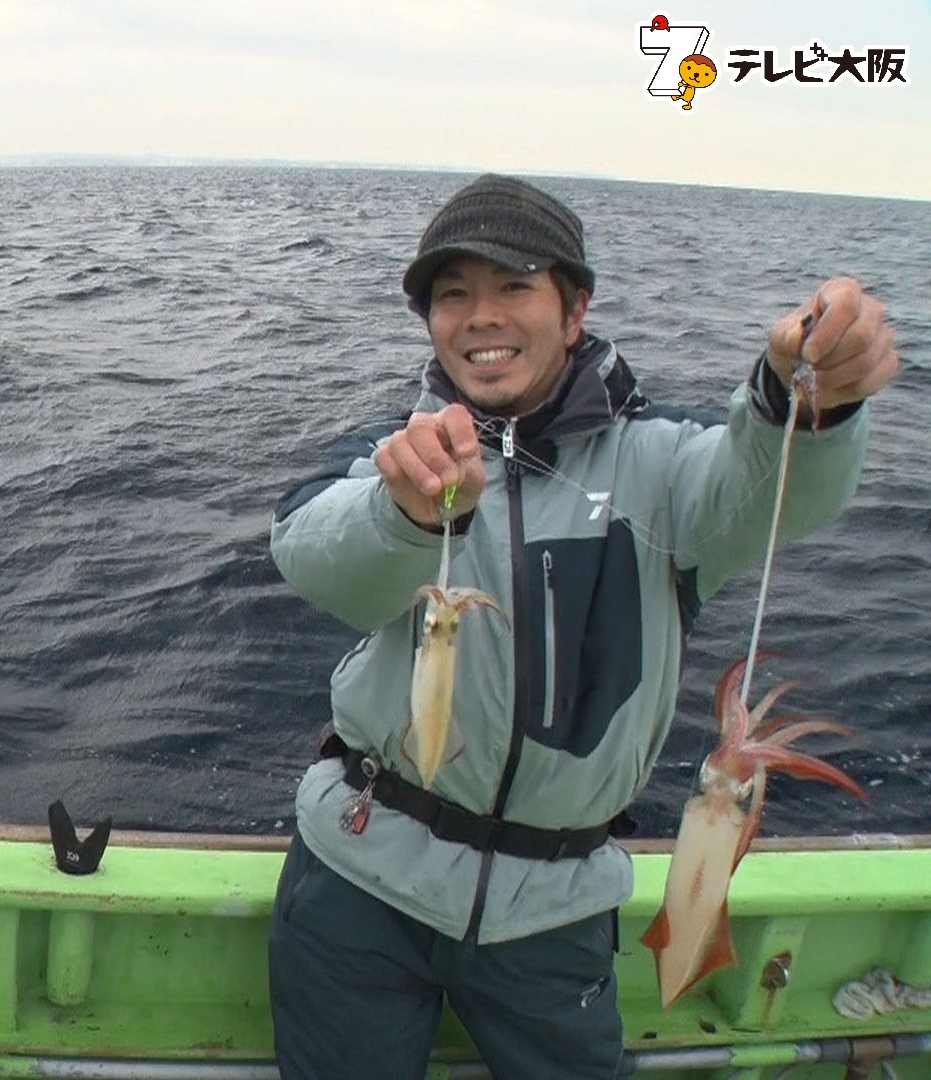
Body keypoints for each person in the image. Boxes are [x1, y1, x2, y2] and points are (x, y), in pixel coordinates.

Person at [265, 174, 898, 1079]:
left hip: (553, 913)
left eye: (514, 286)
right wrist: (402, 512)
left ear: (574, 310)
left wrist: (815, 397)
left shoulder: (663, 467)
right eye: (454, 294)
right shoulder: (391, 451)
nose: (481, 316)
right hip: (356, 880)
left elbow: (766, 482)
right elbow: (313, 553)